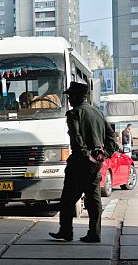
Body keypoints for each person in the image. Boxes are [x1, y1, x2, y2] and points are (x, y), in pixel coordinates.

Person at [49, 81, 116, 243]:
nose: (69, 99)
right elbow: (111, 138)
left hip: (79, 163)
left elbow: (77, 141)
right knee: (93, 199)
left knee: (68, 199)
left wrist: (87, 155)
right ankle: (95, 233)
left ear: (77, 96)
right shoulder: (98, 113)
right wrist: (103, 153)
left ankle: (66, 231)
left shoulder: (74, 114)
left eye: (70, 96)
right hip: (95, 164)